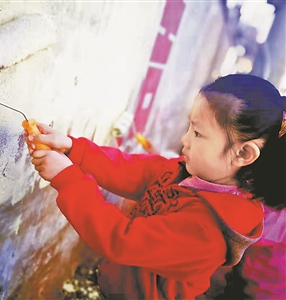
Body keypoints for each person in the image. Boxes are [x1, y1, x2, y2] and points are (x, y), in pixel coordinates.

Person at [24, 74, 286, 299]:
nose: (185, 140)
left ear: (243, 154)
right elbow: (132, 170)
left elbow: (120, 239)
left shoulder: (207, 231)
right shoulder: (191, 172)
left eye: (197, 133)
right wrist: (73, 149)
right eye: (189, 128)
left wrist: (68, 178)